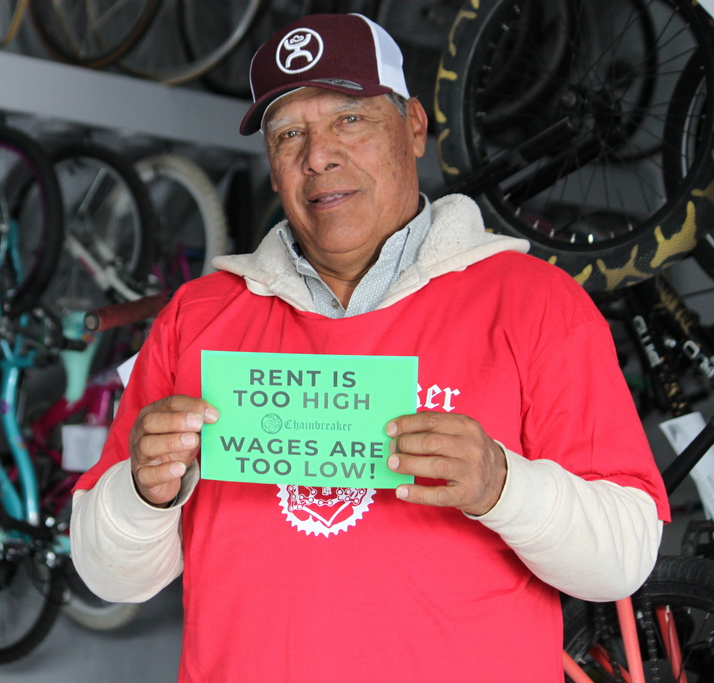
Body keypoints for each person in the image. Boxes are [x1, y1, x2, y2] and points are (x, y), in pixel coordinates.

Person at [71, 13, 669, 681]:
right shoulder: (199, 317)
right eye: (289, 133)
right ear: (272, 168)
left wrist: (502, 485)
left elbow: (626, 554)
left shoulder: (534, 304)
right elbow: (109, 574)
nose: (317, 154)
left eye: (349, 119)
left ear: (414, 127)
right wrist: (144, 494)